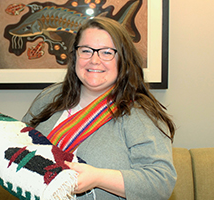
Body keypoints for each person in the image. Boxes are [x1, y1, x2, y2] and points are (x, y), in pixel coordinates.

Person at [22, 17, 176, 200]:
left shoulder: (140, 113)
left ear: (123, 59)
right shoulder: (50, 97)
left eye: (106, 52)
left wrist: (99, 178)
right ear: (75, 56)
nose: (94, 60)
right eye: (86, 51)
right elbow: (18, 142)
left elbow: (161, 183)